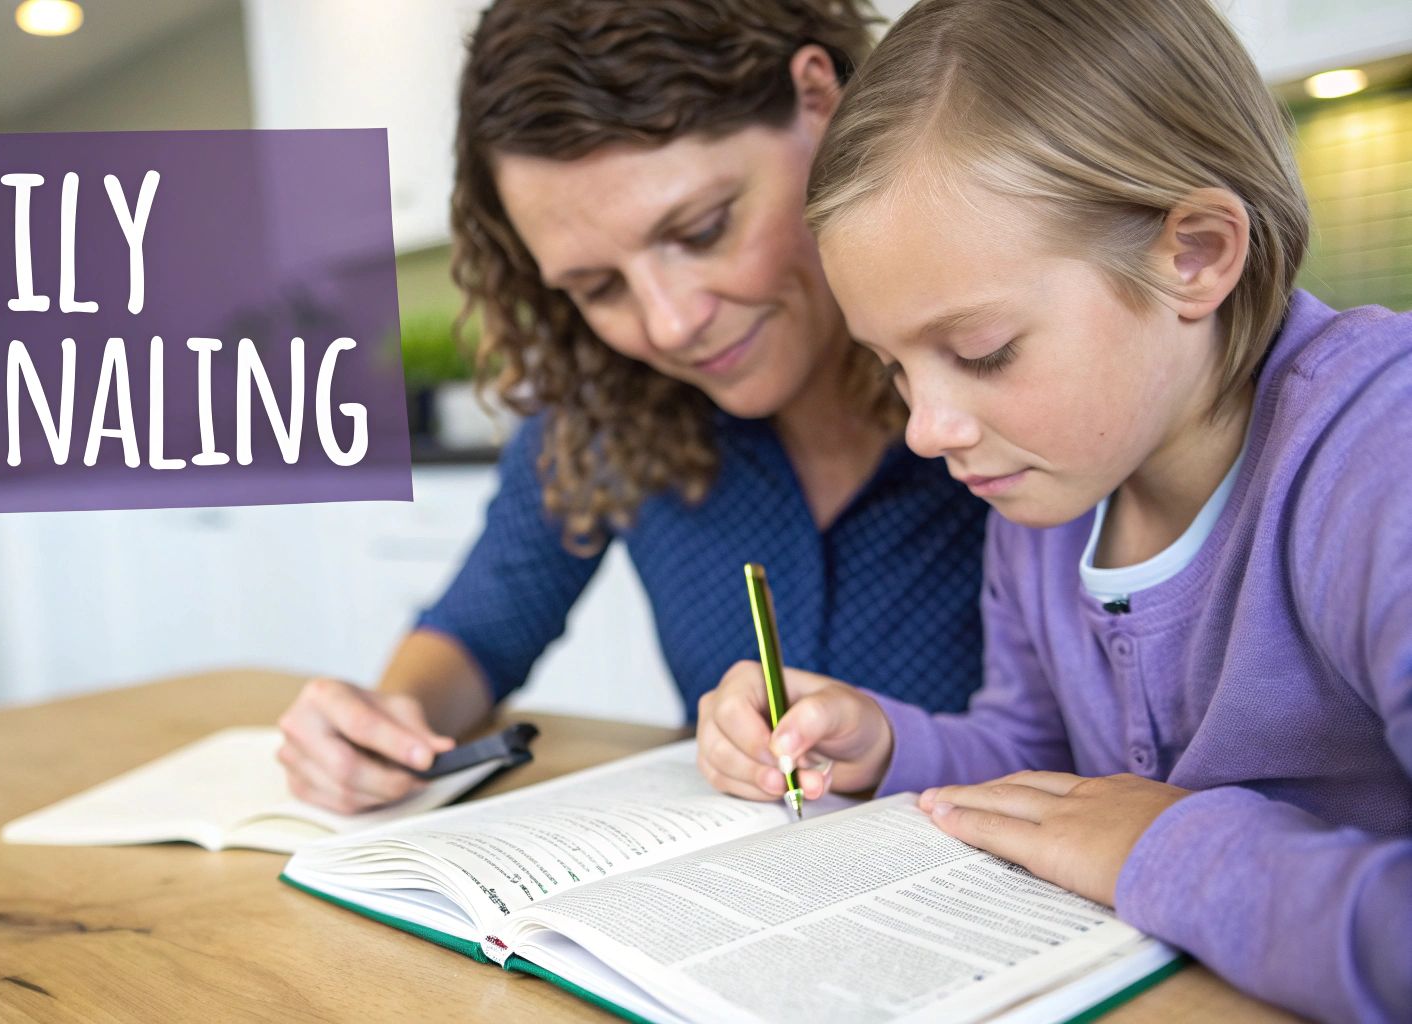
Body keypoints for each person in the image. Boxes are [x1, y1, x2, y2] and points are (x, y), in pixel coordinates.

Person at [697, 0, 1412, 1019]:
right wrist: (886, 745)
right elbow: (1035, 764)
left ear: (1195, 255)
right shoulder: (1047, 492)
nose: (925, 428)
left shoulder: (1377, 459)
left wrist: (1168, 847)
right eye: (893, 366)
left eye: (982, 351)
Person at [275, 0, 989, 815]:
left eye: (703, 228)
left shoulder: (1012, 367)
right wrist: (386, 726)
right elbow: (479, 631)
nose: (670, 323)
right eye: (598, 288)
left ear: (817, 101)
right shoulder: (610, 409)